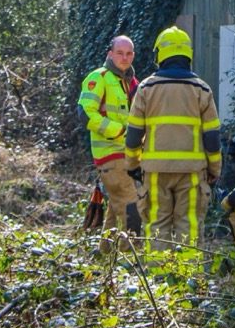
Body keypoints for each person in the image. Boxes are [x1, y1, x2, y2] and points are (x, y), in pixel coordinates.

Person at [124, 26, 222, 253]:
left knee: (157, 224)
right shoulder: (201, 89)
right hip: (192, 173)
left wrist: (132, 166)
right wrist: (214, 169)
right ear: (188, 54)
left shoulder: (146, 88)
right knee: (188, 226)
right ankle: (185, 282)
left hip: (156, 172)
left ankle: (159, 282)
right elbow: (212, 137)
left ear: (160, 55)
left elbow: (134, 134)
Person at [77, 35, 142, 244]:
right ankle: (132, 260)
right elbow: (85, 113)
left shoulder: (132, 82)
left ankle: (105, 256)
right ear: (110, 54)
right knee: (132, 208)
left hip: (130, 155)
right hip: (110, 154)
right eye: (120, 53)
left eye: (129, 53)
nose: (124, 57)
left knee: (115, 210)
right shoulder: (99, 77)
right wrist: (117, 131)